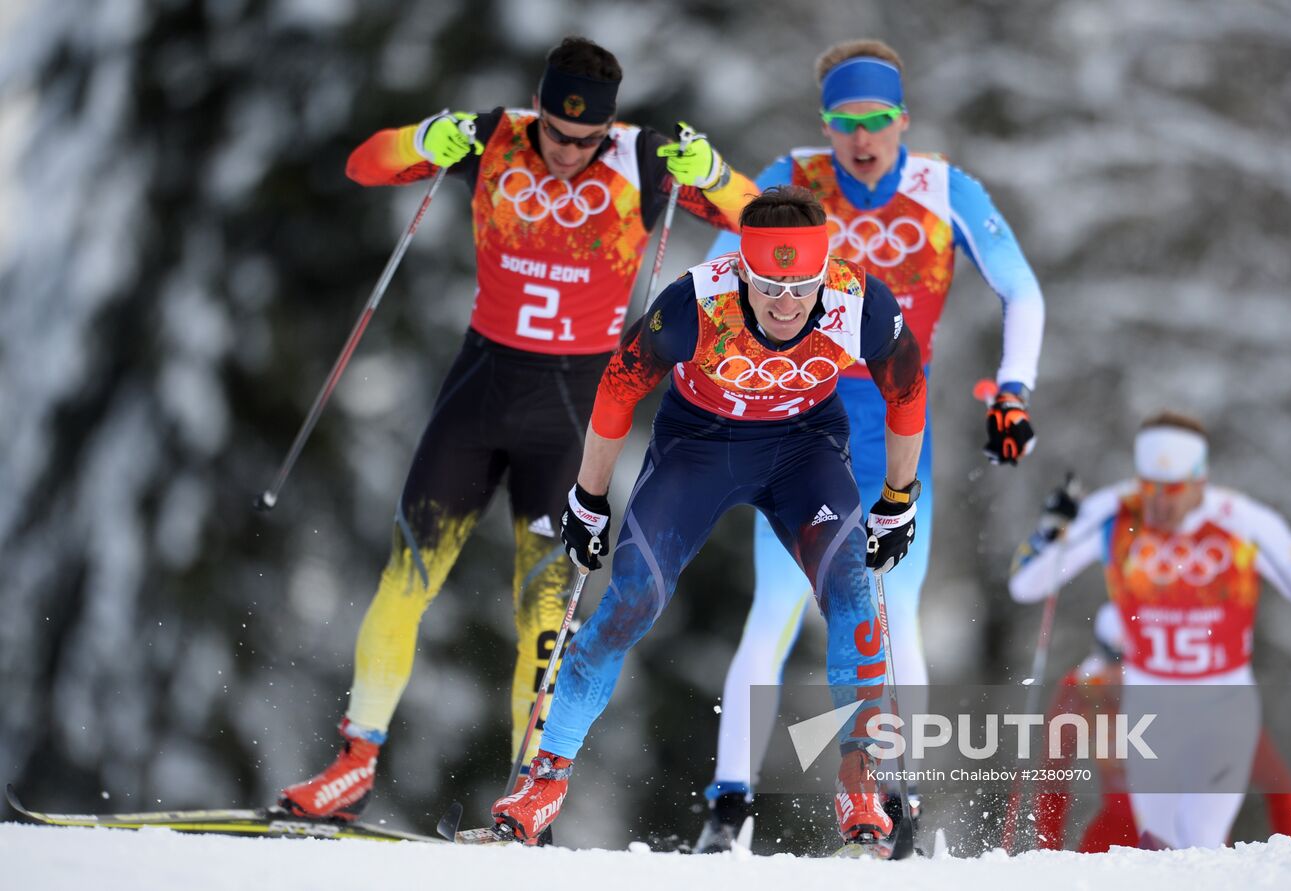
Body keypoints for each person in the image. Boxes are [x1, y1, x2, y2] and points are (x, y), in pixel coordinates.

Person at [278, 36, 756, 823]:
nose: (568, 152)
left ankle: (523, 801)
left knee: (544, 613)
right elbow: (365, 165)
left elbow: (759, 223)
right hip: (479, 391)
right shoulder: (491, 136)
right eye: (556, 133)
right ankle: (354, 764)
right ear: (537, 108)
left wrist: (712, 173)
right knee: (406, 574)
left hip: (570, 415)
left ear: (608, 127)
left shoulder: (643, 159)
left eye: (586, 139)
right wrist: (421, 140)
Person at [487, 185, 929, 849]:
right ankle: (544, 780)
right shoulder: (695, 303)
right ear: (743, 272)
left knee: (850, 591)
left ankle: (861, 779)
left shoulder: (860, 301)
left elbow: (908, 392)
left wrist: (898, 499)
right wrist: (588, 497)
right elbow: (617, 390)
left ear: (823, 273)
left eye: (801, 286)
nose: (785, 304)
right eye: (769, 286)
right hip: (699, 448)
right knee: (633, 598)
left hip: (804, 449)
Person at [698, 38, 1045, 849]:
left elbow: (1022, 290)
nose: (862, 139)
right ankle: (727, 810)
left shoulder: (943, 188)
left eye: (877, 120)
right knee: (777, 608)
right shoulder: (791, 180)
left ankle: (898, 801)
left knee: (895, 613)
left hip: (896, 427)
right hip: (797, 418)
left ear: (903, 120)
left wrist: (1014, 390)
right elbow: (713, 277)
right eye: (845, 122)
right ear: (825, 125)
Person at [1008, 412, 1291, 850]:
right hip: (1150, 704)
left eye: (1172, 490)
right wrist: (1046, 532)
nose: (1159, 504)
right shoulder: (1116, 513)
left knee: (1201, 836)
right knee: (1159, 843)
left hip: (1223, 700)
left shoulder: (1241, 522)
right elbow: (1026, 585)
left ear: (1199, 481)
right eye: (1149, 487)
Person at [1027, 605, 1291, 852]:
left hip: (1191, 843)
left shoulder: (1202, 695)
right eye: (1116, 662)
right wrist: (1047, 855)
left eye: (1139, 667)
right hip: (1116, 833)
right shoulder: (1083, 693)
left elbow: (1281, 788)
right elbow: (1052, 779)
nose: (1127, 676)